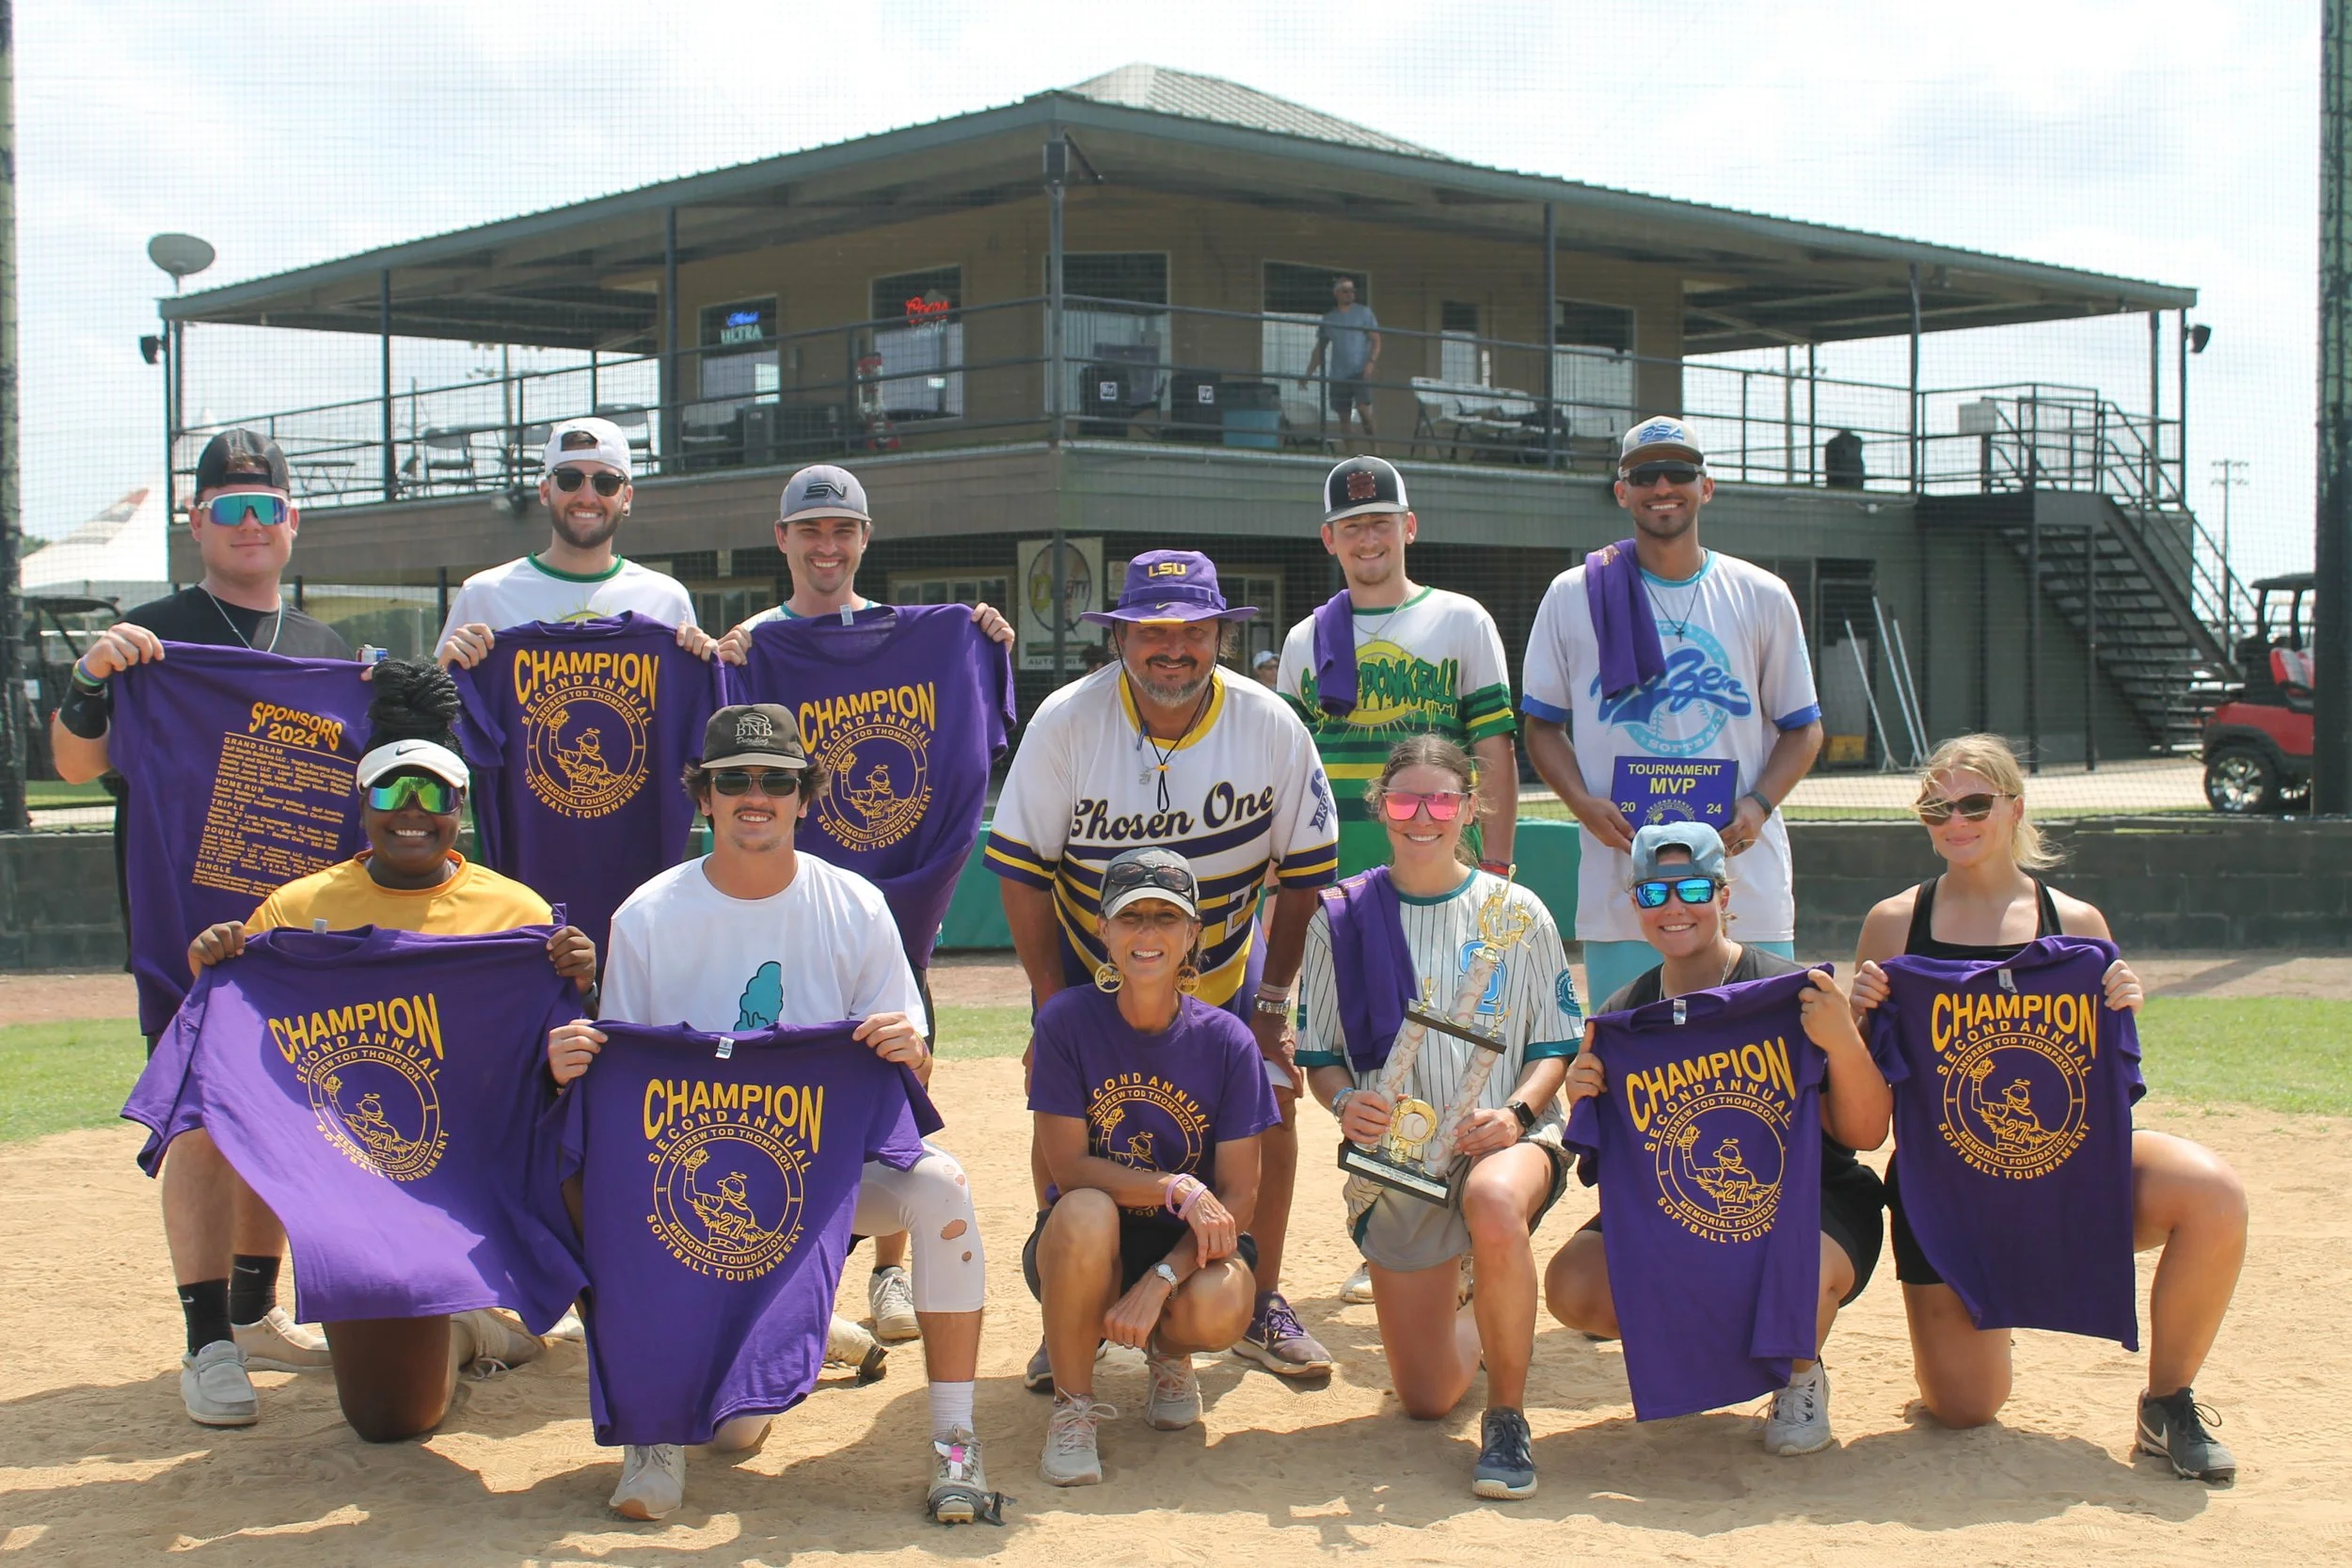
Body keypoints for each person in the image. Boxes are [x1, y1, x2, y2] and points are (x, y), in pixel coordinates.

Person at [545, 704, 993, 1524]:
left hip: (820, 1180)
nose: (757, 795)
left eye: (776, 780)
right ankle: (653, 1433)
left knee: (945, 1190)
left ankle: (954, 1444)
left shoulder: (854, 905)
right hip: (686, 1188)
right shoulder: (646, 915)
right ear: (705, 797)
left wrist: (907, 1044)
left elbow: (915, 1069)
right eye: (734, 780)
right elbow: (621, 1091)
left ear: (803, 796)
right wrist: (574, 1059)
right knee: (728, 1428)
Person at [179, 660, 591, 1436]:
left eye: (432, 793)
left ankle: (574, 1318)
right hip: (358, 1199)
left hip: (470, 1179)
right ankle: (216, 1340)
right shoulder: (298, 907)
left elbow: (565, 1064)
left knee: (603, 1124)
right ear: (361, 804)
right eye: (390, 793)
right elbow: (247, 1055)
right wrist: (218, 975)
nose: (411, 811)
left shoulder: (516, 912)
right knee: (389, 1418)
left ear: (459, 806)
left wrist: (584, 986)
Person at [1848, 733, 2247, 1483]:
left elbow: (2105, 1079)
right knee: (1966, 1408)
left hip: (2064, 1174)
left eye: (1974, 803)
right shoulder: (1895, 922)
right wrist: (1858, 1021)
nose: (1955, 819)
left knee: (2214, 1193)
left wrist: (2125, 1001)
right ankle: (1987, 1301)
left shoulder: (2077, 922)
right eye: (1938, 806)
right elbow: (1865, 1118)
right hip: (1948, 1190)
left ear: (2015, 807)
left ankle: (2168, 1401)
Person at [47, 429, 354, 1402]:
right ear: (198, 523)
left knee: (281, 1125)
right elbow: (73, 765)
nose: (251, 524)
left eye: (267, 506)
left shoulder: (326, 654)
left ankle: (254, 1312)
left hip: (296, 939)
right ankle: (203, 1338)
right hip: (186, 930)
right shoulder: (153, 638)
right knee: (201, 1129)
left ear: (293, 522)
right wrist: (92, 676)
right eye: (230, 507)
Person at [987, 549, 1341, 1387]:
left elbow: (1305, 873)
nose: (1171, 647)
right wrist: (1050, 1005)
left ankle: (1258, 1296)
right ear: (1120, 638)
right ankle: (1069, 1309)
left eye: (1191, 629)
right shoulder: (1068, 721)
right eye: (1151, 630)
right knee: (1067, 1107)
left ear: (1220, 632)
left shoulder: (1270, 723)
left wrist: (1273, 1003)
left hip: (1222, 957)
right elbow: (1022, 872)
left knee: (1273, 1098)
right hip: (1092, 953)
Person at [713, 461, 1012, 1347]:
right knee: (780, 1072)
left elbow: (978, 730)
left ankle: (887, 1271)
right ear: (784, 540)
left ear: (864, 539)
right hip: (787, 902)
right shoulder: (757, 645)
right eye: (810, 531)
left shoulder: (928, 636)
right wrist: (724, 665)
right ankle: (783, 1262)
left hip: (896, 895)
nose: (827, 546)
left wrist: (980, 639)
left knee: (897, 1061)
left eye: (842, 530)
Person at [1543, 821, 1889, 1457]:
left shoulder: (1792, 993)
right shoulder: (1627, 1014)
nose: (1674, 907)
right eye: (1654, 893)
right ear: (1635, 905)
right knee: (1573, 1283)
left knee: (1796, 1268)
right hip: (1696, 1210)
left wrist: (1842, 1041)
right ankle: (1719, 1343)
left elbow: (1867, 1133)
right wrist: (1582, 1094)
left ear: (1726, 896)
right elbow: (1612, 1162)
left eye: (1694, 888)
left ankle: (1799, 1372)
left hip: (1812, 1199)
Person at [1298, 736, 1579, 1500]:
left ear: (1470, 807)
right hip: (1401, 1159)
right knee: (1424, 1398)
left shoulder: (1516, 910)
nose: (1423, 817)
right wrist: (1342, 1101)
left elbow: (1555, 1044)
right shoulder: (1342, 917)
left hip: (1504, 1137)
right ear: (1381, 807)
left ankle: (1508, 1420)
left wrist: (1517, 1114)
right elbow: (1320, 1053)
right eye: (1404, 800)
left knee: (1491, 1201)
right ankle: (1485, 1292)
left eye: (1443, 800)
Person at [1520, 415, 1826, 1010]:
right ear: (1622, 492)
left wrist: (1758, 805)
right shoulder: (1576, 592)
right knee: (1635, 1063)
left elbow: (1803, 726)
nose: (1663, 487)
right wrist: (1582, 804)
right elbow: (1542, 724)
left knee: (1762, 1067)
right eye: (1645, 475)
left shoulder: (1760, 593)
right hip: (1622, 878)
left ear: (1705, 486)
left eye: (1679, 473)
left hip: (1743, 875)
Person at [1026, 848, 1278, 1486]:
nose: (1146, 934)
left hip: (1186, 1249)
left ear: (1192, 933)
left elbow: (1241, 1195)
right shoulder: (1066, 1021)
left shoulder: (1227, 1039)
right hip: (1086, 1244)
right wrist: (1173, 1184)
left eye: (1165, 918)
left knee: (1220, 1304)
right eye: (1130, 917)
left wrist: (1164, 1275)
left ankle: (1170, 1352)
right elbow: (1067, 1165)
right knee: (1083, 1208)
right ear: (1103, 931)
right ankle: (1073, 1405)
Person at [435, 418, 714, 668]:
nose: (588, 497)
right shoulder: (484, 595)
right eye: (570, 480)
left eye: (606, 483)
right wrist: (443, 670)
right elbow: (438, 709)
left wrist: (709, 660)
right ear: (545, 492)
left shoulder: (666, 599)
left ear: (626, 497)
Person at [1297, 276, 1381, 452]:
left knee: (1364, 410)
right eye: (1345, 291)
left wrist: (1371, 362)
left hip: (1360, 371)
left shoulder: (1364, 313)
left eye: (1352, 290)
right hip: (1338, 375)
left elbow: (1376, 340)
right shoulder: (1328, 319)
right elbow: (1319, 349)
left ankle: (1376, 450)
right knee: (1344, 418)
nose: (1350, 294)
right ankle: (1351, 455)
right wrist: (1308, 374)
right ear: (1336, 294)